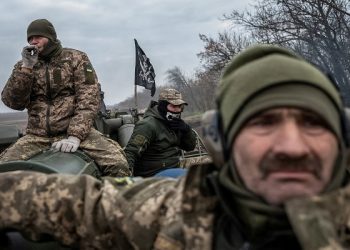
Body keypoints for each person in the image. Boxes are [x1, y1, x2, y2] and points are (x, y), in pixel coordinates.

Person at [0, 44, 349, 249]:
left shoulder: (178, 126)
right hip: (158, 175)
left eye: (313, 123)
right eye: (263, 123)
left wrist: (181, 128)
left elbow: (189, 144)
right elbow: (90, 195)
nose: (291, 146)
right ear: (224, 140)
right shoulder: (174, 211)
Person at [0, 19, 130, 177]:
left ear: (51, 37)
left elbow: (88, 100)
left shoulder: (75, 58)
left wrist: (74, 136)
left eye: (38, 37)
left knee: (118, 164)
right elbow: (13, 102)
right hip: (37, 135)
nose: (33, 42)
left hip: (76, 133)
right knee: (4, 168)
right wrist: (26, 69)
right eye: (30, 39)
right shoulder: (24, 65)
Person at [124, 88, 196, 177]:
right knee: (194, 177)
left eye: (180, 106)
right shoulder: (148, 125)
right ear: (162, 106)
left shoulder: (174, 123)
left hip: (174, 165)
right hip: (155, 173)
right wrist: (127, 181)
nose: (177, 110)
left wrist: (186, 130)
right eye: (173, 106)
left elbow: (190, 147)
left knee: (208, 165)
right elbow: (131, 153)